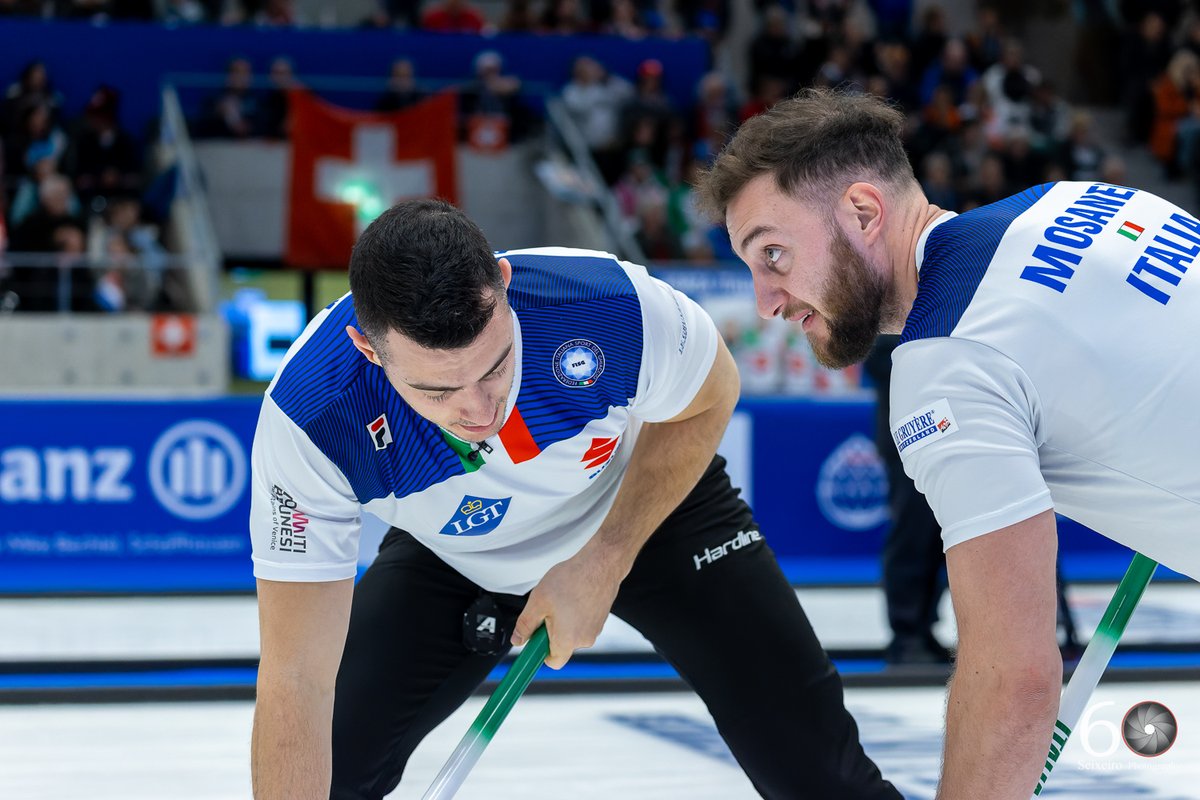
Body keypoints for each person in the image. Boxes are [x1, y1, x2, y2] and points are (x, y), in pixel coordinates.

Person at [249, 198, 901, 800]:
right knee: (327, 766)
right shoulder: (313, 418)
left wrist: (604, 558)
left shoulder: (605, 306)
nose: (480, 410)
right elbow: (295, 679)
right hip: (459, 552)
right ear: (369, 349)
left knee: (819, 772)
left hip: (648, 509)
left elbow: (713, 390)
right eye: (436, 393)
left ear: (504, 284)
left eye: (495, 364)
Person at [696, 87, 1200, 799]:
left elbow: (1013, 675)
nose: (765, 300)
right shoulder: (1077, 201)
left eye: (773, 253)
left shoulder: (948, 364)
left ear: (864, 212)